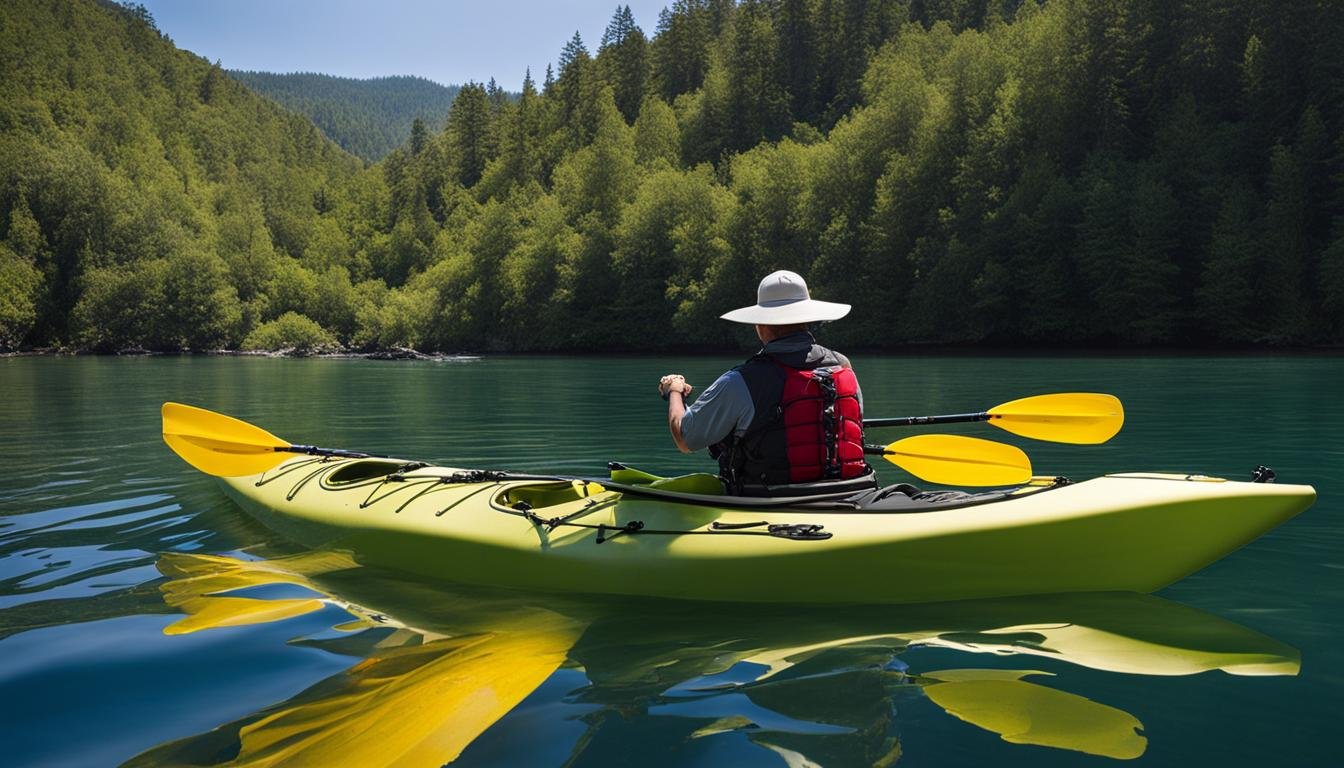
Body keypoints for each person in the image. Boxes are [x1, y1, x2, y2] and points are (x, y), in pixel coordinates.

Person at [659, 270, 875, 496]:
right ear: (807, 320)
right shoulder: (842, 366)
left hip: (773, 500)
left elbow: (685, 438)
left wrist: (675, 390)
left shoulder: (742, 380)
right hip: (849, 492)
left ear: (760, 325)